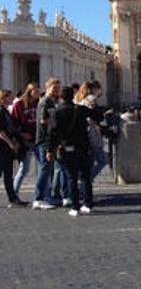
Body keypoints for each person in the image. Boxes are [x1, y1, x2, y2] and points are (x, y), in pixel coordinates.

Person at [47, 86, 100, 216]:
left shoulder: (56, 112)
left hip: (67, 148)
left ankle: (75, 206)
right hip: (83, 147)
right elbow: (98, 116)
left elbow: (52, 133)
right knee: (86, 177)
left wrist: (50, 150)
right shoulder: (81, 109)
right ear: (73, 96)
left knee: (71, 177)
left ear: (61, 97)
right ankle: (88, 204)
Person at [32, 78, 62, 209]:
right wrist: (55, 122)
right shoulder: (46, 102)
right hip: (45, 139)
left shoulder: (51, 101)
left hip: (48, 139)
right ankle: (38, 198)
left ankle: (47, 196)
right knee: (45, 169)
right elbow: (43, 120)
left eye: (58, 88)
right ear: (47, 87)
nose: (56, 90)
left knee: (48, 169)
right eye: (54, 88)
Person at [11, 83, 40, 200]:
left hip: (38, 139)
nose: (38, 93)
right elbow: (13, 123)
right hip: (25, 140)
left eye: (38, 91)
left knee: (44, 167)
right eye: (35, 91)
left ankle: (41, 194)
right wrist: (21, 135)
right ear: (29, 91)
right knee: (24, 169)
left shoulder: (39, 103)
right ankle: (14, 194)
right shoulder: (19, 104)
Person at [0, 89, 28, 207]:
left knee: (8, 174)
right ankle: (13, 199)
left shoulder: (6, 111)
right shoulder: (1, 111)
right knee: (6, 174)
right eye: (9, 97)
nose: (12, 99)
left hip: (7, 148)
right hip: (2, 148)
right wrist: (11, 143)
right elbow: (1, 131)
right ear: (3, 98)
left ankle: (13, 198)